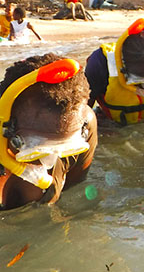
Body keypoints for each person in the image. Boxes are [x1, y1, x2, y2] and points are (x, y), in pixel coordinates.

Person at [0, 54, 97, 210]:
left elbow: (75, 193)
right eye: (35, 147)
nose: (49, 162)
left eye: (65, 148)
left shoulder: (85, 125)